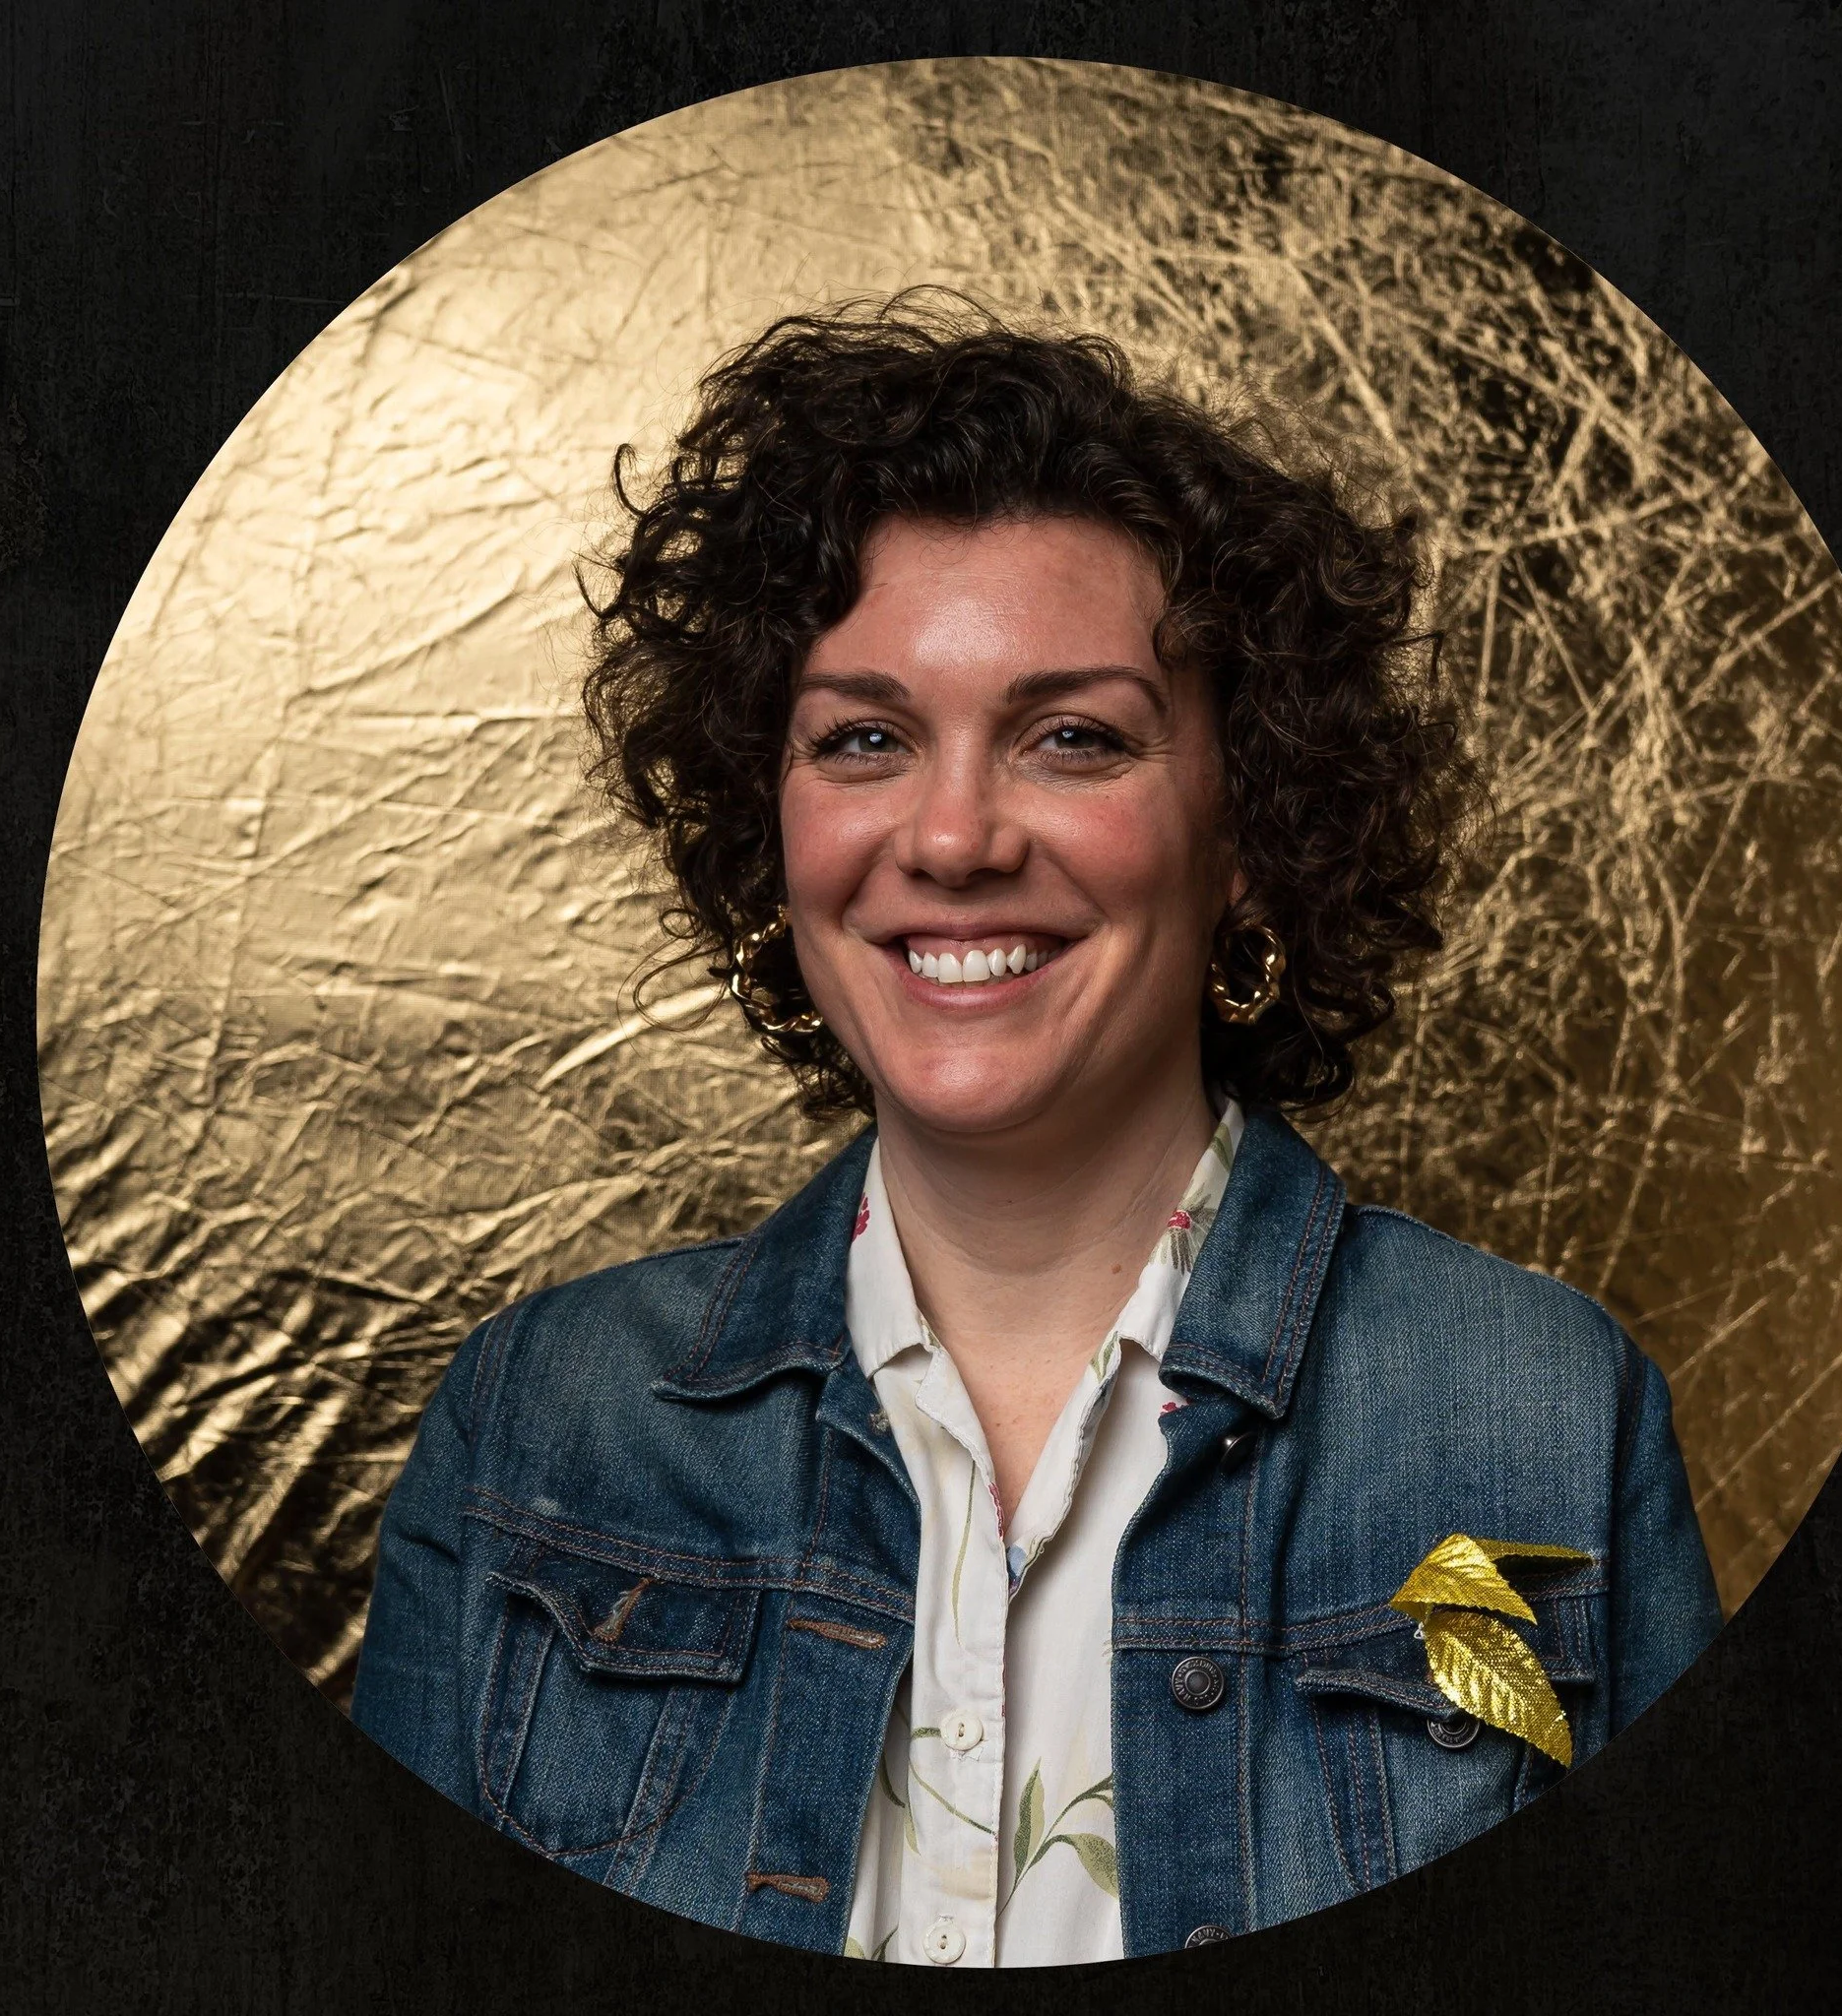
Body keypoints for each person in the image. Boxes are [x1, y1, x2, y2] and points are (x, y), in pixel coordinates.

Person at [351, 294, 1721, 1965]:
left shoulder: (1546, 1419)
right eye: (864, 738)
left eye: (1071, 737)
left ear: (1246, 828)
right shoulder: (533, 1430)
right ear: (768, 828)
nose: (950, 835)